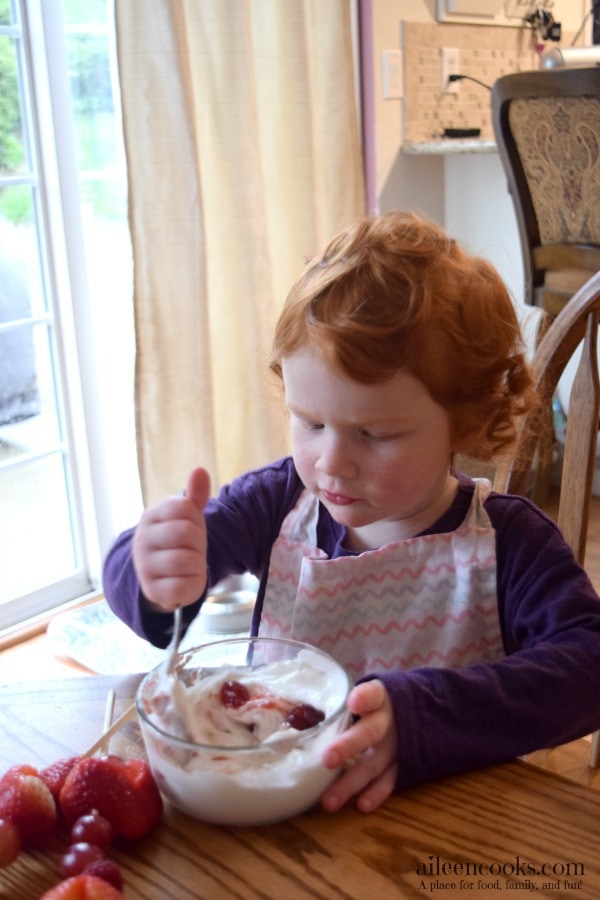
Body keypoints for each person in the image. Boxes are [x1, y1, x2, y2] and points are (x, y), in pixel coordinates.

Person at [103, 211, 600, 815]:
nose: (332, 463)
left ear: (464, 422)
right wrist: (152, 569)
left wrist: (424, 717)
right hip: (278, 815)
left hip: (447, 831)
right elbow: (138, 580)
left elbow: (587, 668)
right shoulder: (276, 504)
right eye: (310, 422)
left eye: (376, 433)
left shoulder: (508, 546)